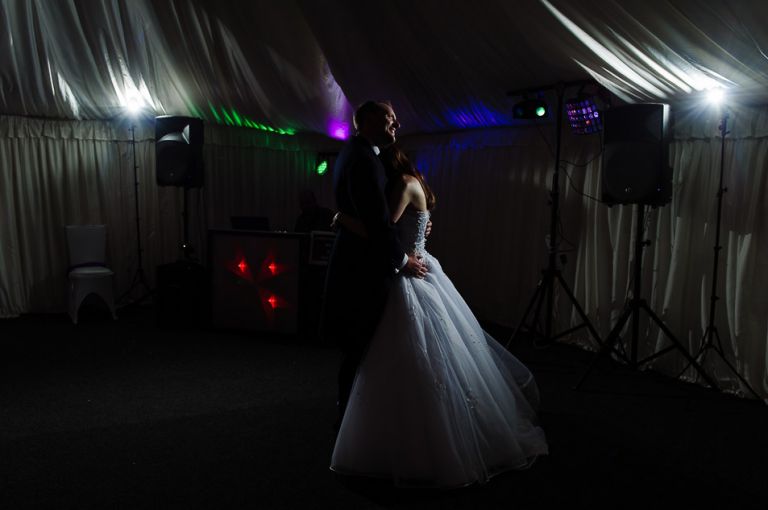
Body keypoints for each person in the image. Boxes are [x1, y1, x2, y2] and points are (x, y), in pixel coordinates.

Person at [329, 145, 549, 488]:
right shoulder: (413, 182)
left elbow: (381, 231)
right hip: (417, 266)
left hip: (410, 274)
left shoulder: (402, 185)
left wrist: (342, 219)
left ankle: (430, 436)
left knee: (419, 352)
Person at [321, 101, 428, 432]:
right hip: (361, 270)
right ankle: (353, 422)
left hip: (359, 264)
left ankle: (356, 418)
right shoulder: (365, 159)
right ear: (366, 119)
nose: (396, 124)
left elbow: (379, 220)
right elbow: (379, 224)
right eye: (389, 117)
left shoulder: (357, 154)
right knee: (361, 346)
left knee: (363, 347)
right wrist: (402, 259)